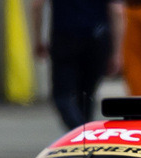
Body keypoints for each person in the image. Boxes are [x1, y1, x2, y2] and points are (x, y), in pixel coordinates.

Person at [31, 0, 124, 130]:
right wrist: (117, 52)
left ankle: (82, 133)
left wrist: (38, 39)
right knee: (87, 94)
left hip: (65, 36)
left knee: (62, 96)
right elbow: (117, 10)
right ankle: (85, 133)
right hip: (98, 35)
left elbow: (37, 5)